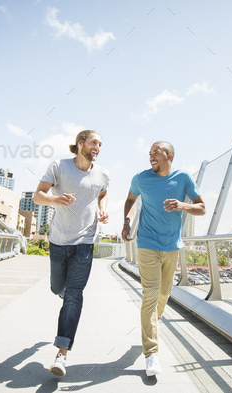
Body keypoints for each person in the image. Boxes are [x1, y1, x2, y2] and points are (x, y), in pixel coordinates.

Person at [122, 141, 205, 376]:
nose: (151, 157)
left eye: (156, 153)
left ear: (169, 156)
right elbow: (130, 200)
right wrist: (127, 222)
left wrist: (182, 205)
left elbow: (202, 208)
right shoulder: (141, 178)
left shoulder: (184, 178)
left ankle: (151, 327)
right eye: (149, 154)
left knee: (164, 293)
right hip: (147, 243)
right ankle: (152, 353)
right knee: (150, 294)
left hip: (172, 246)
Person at [33, 130, 109, 377]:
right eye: (93, 142)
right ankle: (64, 295)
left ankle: (61, 354)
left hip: (85, 241)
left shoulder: (102, 174)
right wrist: (55, 200)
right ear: (80, 144)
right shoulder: (59, 166)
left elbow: (103, 193)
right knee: (58, 289)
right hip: (59, 239)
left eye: (100, 144)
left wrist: (102, 209)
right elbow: (38, 195)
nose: (97, 147)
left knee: (75, 295)